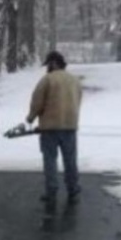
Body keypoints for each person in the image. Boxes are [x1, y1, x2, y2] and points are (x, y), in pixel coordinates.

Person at [26, 50, 83, 212]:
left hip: (50, 128)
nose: (47, 68)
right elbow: (78, 99)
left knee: (50, 160)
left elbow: (37, 102)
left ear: (53, 63)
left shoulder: (47, 80)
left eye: (48, 65)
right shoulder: (74, 80)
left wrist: (31, 118)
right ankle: (73, 188)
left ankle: (51, 191)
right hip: (70, 126)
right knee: (70, 159)